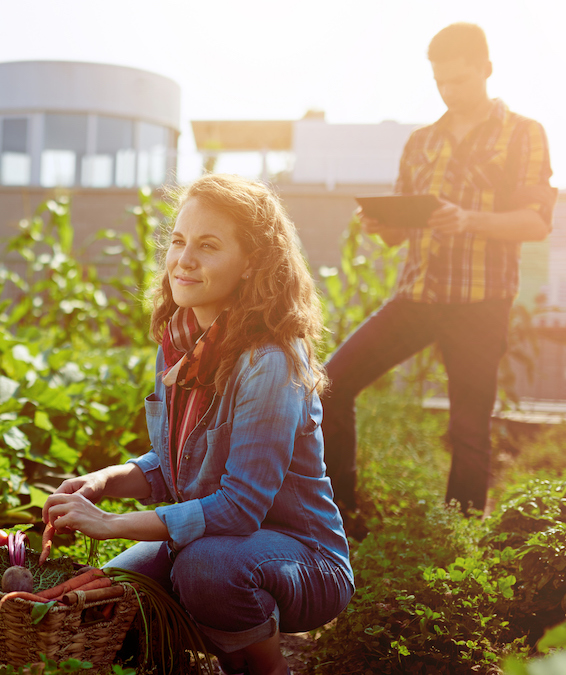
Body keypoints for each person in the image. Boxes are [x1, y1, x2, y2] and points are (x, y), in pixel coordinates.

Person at [43, 174, 354, 675]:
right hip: (216, 540)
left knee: (205, 569)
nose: (184, 260)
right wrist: (103, 483)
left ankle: (267, 667)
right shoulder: (183, 343)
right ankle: (203, 646)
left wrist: (112, 526)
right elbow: (171, 466)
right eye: (179, 241)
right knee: (112, 592)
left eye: (208, 246)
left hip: (304, 560)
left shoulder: (270, 361)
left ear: (253, 262)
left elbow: (239, 509)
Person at [321, 23, 556, 525]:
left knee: (469, 430)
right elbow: (399, 236)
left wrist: (470, 220)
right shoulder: (421, 142)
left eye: (460, 81)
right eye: (441, 82)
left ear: (487, 70)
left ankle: (460, 536)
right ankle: (341, 512)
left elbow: (536, 222)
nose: (450, 91)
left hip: (480, 303)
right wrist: (380, 225)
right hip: (418, 298)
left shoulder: (523, 133)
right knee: (330, 384)